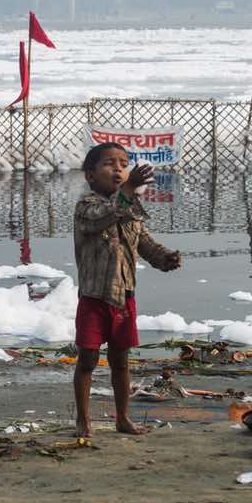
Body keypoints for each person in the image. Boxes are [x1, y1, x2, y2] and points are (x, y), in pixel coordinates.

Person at [73, 143, 182, 437]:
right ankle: (83, 420)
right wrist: (130, 188)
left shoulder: (131, 206)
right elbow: (103, 217)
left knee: (120, 362)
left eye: (123, 163)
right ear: (91, 175)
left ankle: (123, 418)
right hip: (94, 298)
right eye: (109, 163)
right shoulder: (87, 205)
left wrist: (164, 258)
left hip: (124, 299)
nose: (118, 169)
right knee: (87, 360)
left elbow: (143, 241)